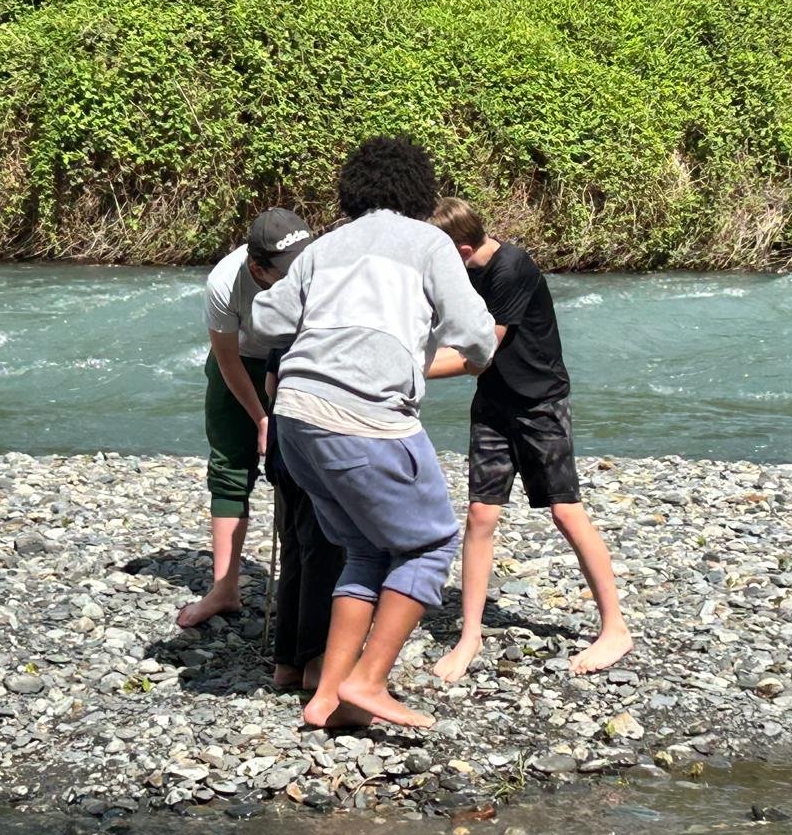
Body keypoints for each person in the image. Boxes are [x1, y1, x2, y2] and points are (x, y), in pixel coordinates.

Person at [255, 138, 497, 729]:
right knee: (431, 544)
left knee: (365, 548)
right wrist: (473, 354)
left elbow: (265, 319)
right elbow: (475, 332)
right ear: (421, 192)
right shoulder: (428, 243)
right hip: (366, 417)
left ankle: (327, 698)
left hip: (296, 415)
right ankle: (368, 680)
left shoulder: (324, 247)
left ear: (352, 192)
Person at [425, 197, 633, 679]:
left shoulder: (510, 269)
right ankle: (470, 635)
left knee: (565, 511)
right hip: (494, 403)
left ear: (460, 249)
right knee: (481, 514)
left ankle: (616, 628)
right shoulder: (464, 273)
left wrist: (405, 371)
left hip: (540, 404)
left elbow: (478, 356)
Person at [178, 208, 314, 628]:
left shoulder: (317, 264)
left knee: (306, 472)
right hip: (241, 364)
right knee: (230, 469)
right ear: (258, 268)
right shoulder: (225, 281)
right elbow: (226, 359)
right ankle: (224, 588)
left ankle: (308, 585)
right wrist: (261, 418)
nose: (298, 274)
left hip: (300, 361)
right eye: (286, 270)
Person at [263, 348, 343, 691]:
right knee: (324, 551)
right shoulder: (337, 322)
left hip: (284, 437)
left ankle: (287, 661)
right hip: (319, 438)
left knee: (294, 548)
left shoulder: (292, 316)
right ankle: (315, 660)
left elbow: (271, 383)